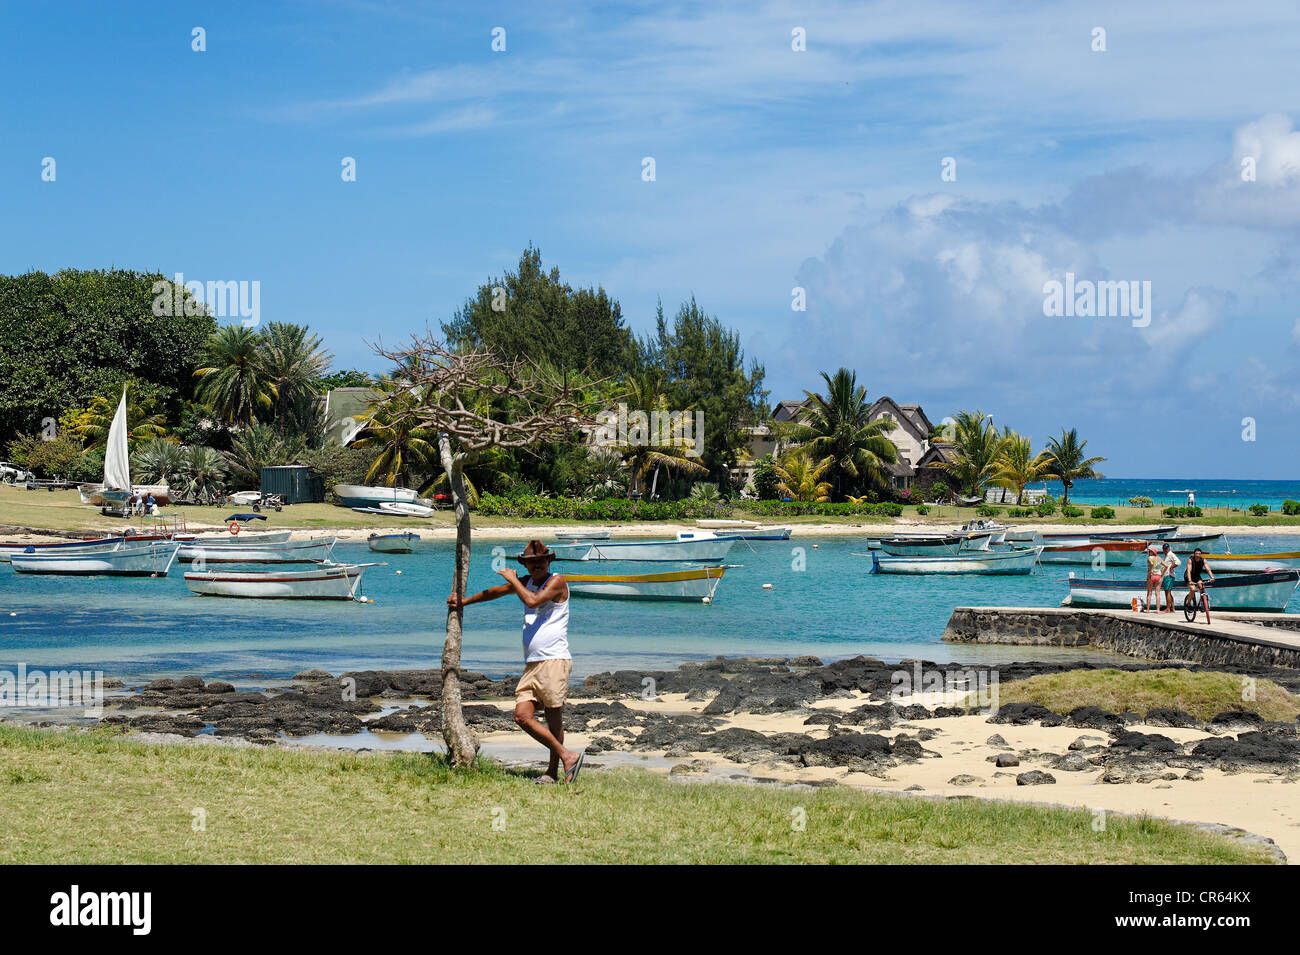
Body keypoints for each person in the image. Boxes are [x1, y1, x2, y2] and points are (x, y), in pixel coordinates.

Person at [447, 540, 584, 784]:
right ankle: (567, 755)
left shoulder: (557, 582)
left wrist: (513, 580)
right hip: (533, 663)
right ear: (526, 564)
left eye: (540, 561)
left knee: (554, 720)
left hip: (554, 660)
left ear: (549, 561)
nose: (536, 566)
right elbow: (494, 592)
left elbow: (532, 601)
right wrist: (465, 601)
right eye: (531, 563)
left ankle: (553, 772)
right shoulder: (526, 583)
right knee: (522, 716)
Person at [1159, 543, 1181, 614]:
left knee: (1167, 592)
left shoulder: (1170, 554)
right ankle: (1173, 608)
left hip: (1169, 575)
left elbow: (1178, 562)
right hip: (1166, 575)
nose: (1165, 550)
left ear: (1169, 548)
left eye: (1166, 548)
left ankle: (1168, 608)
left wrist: (1172, 567)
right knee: (1168, 592)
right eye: (1164, 549)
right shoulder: (1166, 555)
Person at [1143, 544, 1163, 612]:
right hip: (1159, 576)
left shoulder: (1149, 558)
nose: (1149, 553)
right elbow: (1165, 565)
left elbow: (1151, 564)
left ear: (1152, 552)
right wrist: (1162, 573)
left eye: (1150, 551)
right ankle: (1158, 609)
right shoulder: (1159, 558)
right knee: (1157, 593)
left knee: (1149, 593)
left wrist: (1150, 571)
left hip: (1151, 576)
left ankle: (1148, 609)